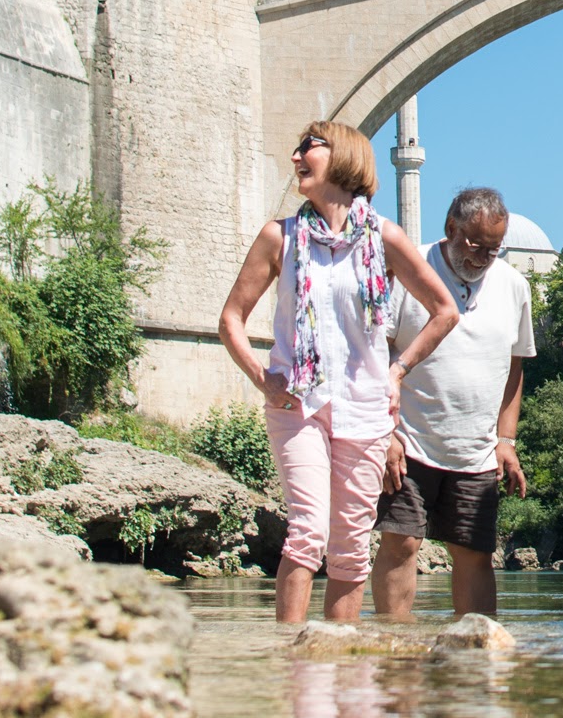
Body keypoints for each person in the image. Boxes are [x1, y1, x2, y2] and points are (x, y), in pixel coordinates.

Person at [217, 122, 459, 623]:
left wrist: (397, 372)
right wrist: (263, 378)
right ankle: (292, 661)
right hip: (298, 405)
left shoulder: (384, 237)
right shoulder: (278, 237)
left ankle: (340, 663)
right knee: (307, 530)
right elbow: (231, 320)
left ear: (343, 156)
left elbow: (444, 310)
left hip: (365, 409)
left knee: (350, 545)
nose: (296, 156)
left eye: (309, 147)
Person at [371, 187, 534, 620]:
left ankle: (476, 663)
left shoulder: (515, 285)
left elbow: (515, 367)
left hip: (477, 451)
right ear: (450, 228)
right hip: (409, 441)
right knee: (400, 543)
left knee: (475, 552)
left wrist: (506, 439)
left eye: (494, 250)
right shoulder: (410, 267)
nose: (483, 257)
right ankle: (396, 649)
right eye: (475, 245)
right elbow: (377, 353)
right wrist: (385, 434)